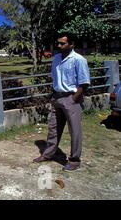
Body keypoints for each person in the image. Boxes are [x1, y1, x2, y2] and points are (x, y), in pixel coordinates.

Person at [33, 32, 90, 171]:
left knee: (74, 131)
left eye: (62, 43)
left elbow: (84, 83)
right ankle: (48, 154)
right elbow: (55, 78)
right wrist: (54, 95)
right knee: (53, 128)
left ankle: (74, 161)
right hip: (57, 97)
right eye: (57, 43)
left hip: (71, 98)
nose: (58, 45)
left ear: (71, 44)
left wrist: (73, 98)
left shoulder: (79, 60)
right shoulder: (56, 58)